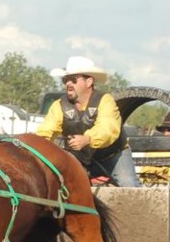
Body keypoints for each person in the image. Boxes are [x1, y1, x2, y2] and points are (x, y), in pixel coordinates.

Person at [35, 55, 141, 187]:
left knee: (129, 185)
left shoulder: (105, 100)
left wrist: (88, 139)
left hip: (114, 156)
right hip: (79, 158)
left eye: (73, 79)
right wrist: (33, 145)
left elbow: (108, 128)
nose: (68, 83)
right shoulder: (59, 105)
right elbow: (45, 131)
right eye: (65, 80)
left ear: (89, 82)